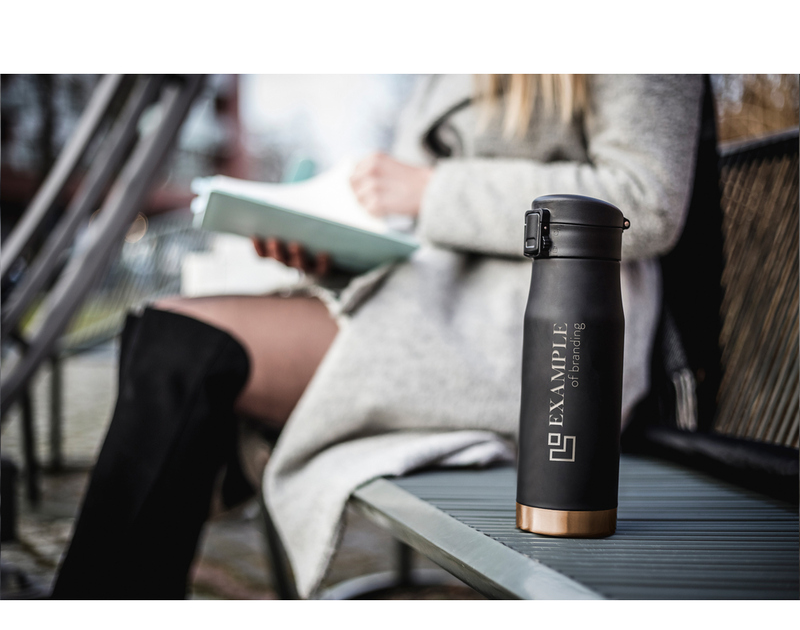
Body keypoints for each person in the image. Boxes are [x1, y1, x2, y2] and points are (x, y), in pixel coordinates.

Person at [51, 75, 706, 599]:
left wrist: (431, 189)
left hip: (533, 332)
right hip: (420, 303)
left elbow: (646, 198)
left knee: (182, 345)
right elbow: (411, 222)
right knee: (166, 331)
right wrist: (332, 250)